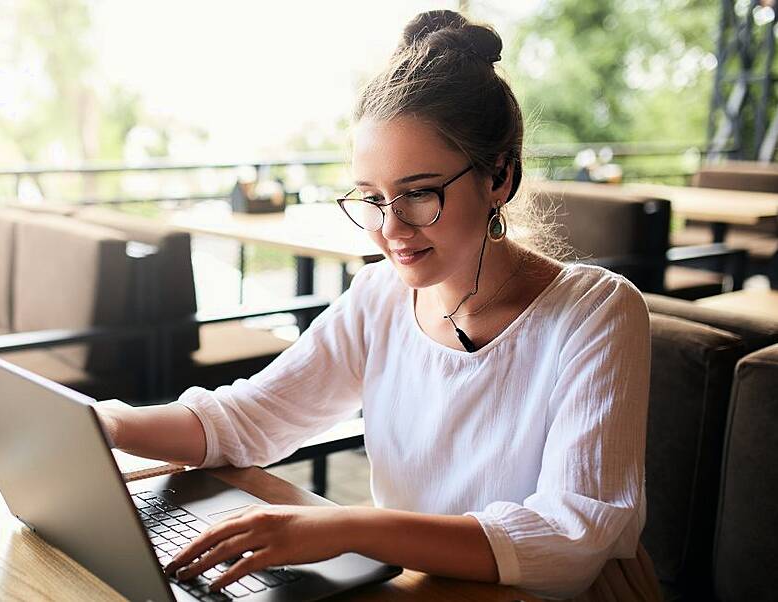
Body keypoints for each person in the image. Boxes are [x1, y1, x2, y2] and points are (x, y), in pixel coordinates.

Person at [96, 10, 659, 601]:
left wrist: (345, 526)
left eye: (418, 194)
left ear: (499, 176)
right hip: (421, 589)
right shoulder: (379, 298)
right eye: (371, 198)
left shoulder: (596, 313)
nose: (391, 228)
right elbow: (251, 418)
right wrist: (106, 424)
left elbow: (569, 538)